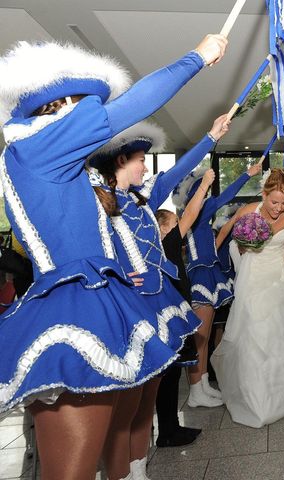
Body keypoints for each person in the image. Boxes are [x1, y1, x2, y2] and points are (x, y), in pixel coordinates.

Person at [0, 35, 227, 479]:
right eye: (83, 106)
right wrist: (196, 57)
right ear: (61, 107)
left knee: (119, 428)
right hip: (74, 307)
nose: (94, 118)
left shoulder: (58, 163)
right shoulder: (36, 148)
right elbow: (135, 103)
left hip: (101, 298)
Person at [89, 117, 229, 479]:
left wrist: (210, 136)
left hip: (159, 302)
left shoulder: (142, 198)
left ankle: (139, 470)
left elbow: (177, 171)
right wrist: (115, 274)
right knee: (126, 406)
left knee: (146, 398)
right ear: (120, 163)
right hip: (128, 308)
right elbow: (88, 251)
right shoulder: (101, 203)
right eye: (138, 159)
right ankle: (119, 472)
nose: (144, 166)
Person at [211, 169, 284, 428]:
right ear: (264, 195)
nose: (279, 208)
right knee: (256, 334)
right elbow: (225, 233)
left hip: (281, 276)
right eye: (275, 202)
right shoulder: (249, 210)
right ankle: (257, 396)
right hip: (255, 278)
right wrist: (216, 261)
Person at [172, 162, 261, 408]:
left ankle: (203, 383)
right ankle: (196, 391)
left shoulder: (197, 218)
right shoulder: (196, 215)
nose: (208, 194)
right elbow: (226, 196)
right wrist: (247, 174)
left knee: (206, 335)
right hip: (201, 275)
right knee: (200, 337)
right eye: (203, 190)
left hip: (208, 273)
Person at [153, 168, 216, 447]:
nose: (182, 226)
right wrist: (204, 185)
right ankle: (168, 431)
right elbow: (191, 214)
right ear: (164, 228)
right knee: (168, 377)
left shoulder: (157, 248)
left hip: (171, 312)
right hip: (171, 316)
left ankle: (170, 427)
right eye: (175, 223)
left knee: (171, 374)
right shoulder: (166, 243)